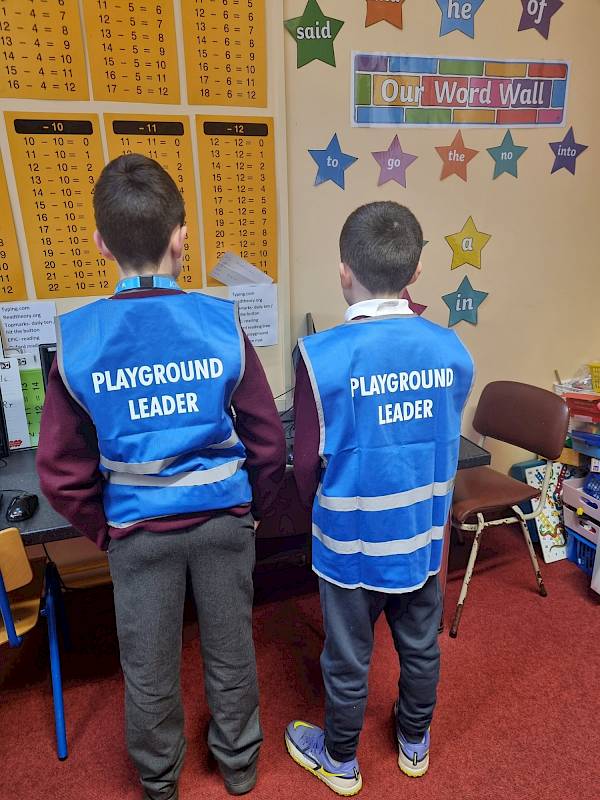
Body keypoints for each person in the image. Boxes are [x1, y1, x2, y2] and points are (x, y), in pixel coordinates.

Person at [37, 154, 286, 800]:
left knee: (147, 665)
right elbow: (267, 439)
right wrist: (253, 508)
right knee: (231, 651)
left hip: (138, 532)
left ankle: (159, 781)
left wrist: (107, 530)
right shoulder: (221, 322)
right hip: (224, 521)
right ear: (182, 237)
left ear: (100, 244)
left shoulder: (79, 340)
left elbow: (59, 471)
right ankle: (240, 767)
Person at [284, 202, 474, 796]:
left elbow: (305, 463)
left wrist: (313, 508)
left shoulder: (320, 355)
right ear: (416, 272)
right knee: (420, 646)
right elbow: (437, 437)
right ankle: (414, 741)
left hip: (350, 542)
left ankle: (340, 759)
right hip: (420, 535)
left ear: (344, 271)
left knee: (347, 656)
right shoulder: (452, 350)